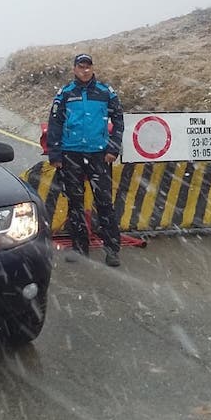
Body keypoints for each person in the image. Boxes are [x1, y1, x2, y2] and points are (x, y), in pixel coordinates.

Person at [47, 53, 125, 267]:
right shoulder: (64, 94)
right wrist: (55, 154)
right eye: (81, 67)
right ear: (74, 69)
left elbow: (118, 120)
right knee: (75, 204)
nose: (85, 70)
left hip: (99, 155)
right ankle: (80, 250)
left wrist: (113, 148)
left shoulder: (105, 92)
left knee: (105, 203)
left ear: (92, 68)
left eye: (88, 67)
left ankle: (112, 250)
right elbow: (54, 124)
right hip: (71, 154)